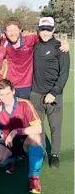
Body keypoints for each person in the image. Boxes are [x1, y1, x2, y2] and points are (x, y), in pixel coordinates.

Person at [0, 79, 43, 194]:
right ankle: (11, 159)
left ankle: (34, 177)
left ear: (13, 91)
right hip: (6, 143)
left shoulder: (25, 104)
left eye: (8, 93)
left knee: (36, 138)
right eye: (2, 95)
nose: (5, 98)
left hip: (24, 142)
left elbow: (38, 129)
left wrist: (15, 131)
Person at [29, 17, 70, 168]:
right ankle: (42, 151)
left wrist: (54, 91)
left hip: (54, 95)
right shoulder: (35, 45)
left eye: (48, 29)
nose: (45, 32)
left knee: (55, 127)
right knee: (38, 126)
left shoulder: (60, 47)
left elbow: (64, 73)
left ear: (53, 30)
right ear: (38, 30)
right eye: (42, 29)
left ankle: (55, 154)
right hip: (36, 93)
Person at [3, 17, 69, 99]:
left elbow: (48, 38)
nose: (12, 33)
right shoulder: (3, 43)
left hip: (27, 86)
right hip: (9, 85)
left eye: (15, 30)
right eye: (9, 30)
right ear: (5, 32)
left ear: (20, 30)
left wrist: (63, 42)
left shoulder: (30, 39)